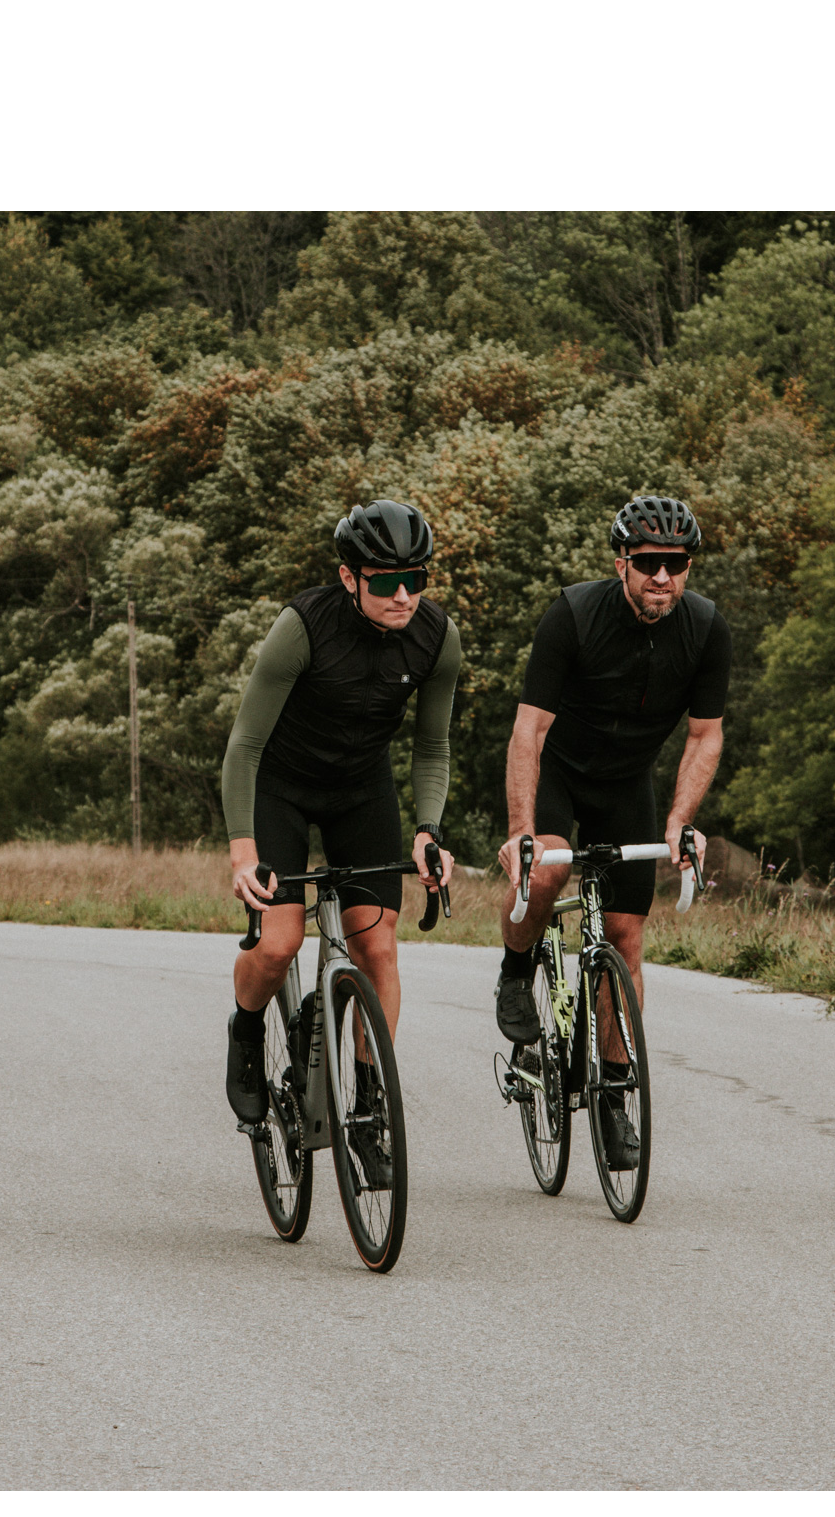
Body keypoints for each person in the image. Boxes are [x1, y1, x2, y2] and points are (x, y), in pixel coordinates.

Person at [493, 494, 731, 1167]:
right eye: (650, 563)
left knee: (624, 937)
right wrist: (521, 830)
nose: (664, 577)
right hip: (559, 772)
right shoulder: (572, 616)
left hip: (627, 781)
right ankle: (515, 973)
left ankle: (615, 1095)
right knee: (549, 867)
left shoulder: (707, 629)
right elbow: (528, 731)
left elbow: (706, 736)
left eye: (677, 564)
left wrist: (680, 821)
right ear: (622, 561)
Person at [222, 498, 458, 1128]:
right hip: (283, 787)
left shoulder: (437, 637)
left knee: (377, 948)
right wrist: (243, 853)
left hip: (361, 790)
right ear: (350, 577)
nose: (404, 595)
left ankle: (371, 1102)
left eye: (417, 579)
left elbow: (432, 746)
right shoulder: (303, 626)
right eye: (386, 581)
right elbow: (244, 747)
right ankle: (246, 1033)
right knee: (279, 944)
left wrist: (428, 830)